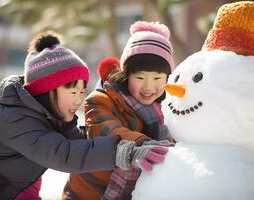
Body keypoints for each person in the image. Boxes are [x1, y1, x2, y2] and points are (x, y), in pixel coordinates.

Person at [0, 31, 169, 200]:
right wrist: (125, 153)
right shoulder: (16, 119)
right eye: (72, 92)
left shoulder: (49, 117)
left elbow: (81, 141)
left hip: (4, 184)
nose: (79, 100)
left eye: (81, 91)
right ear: (48, 91)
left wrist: (123, 140)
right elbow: (64, 153)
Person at [63, 21, 175, 200]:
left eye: (157, 77)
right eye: (140, 77)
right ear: (126, 75)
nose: (149, 86)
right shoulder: (100, 99)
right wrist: (144, 146)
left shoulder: (170, 108)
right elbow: (108, 132)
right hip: (88, 192)